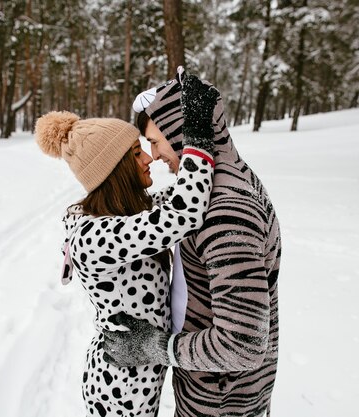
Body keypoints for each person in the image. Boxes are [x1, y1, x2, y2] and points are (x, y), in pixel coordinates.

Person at [34, 75, 219, 417]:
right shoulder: (96, 237)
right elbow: (185, 211)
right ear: (115, 170)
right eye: (137, 153)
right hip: (119, 387)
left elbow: (174, 203)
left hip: (139, 373)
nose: (148, 158)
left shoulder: (129, 214)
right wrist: (197, 132)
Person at [103, 70, 282, 417]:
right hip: (218, 387)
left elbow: (243, 345)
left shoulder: (227, 212)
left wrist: (155, 347)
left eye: (155, 142)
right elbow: (177, 204)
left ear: (179, 131)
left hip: (221, 398)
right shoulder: (220, 178)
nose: (153, 155)